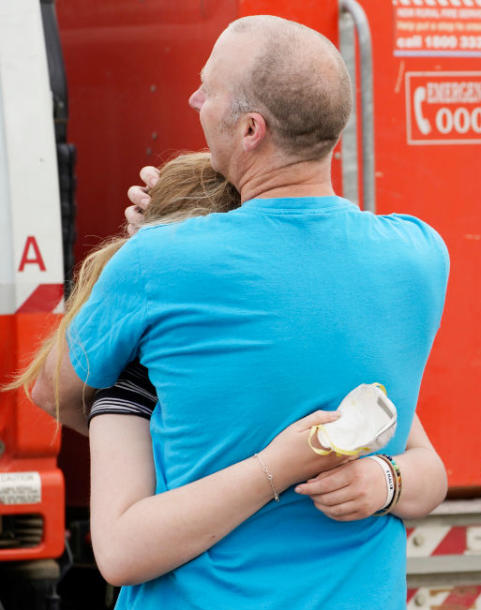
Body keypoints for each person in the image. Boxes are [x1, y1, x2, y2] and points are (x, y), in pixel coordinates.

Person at [30, 15, 449, 610]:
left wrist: (152, 250)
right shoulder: (420, 254)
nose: (195, 100)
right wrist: (387, 480)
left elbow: (53, 390)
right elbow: (420, 459)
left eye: (208, 88)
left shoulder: (156, 263)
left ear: (252, 129)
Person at [8, 151, 445, 583]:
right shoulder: (139, 382)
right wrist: (278, 465)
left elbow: (429, 472)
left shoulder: (310, 346)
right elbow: (121, 552)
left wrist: (386, 479)